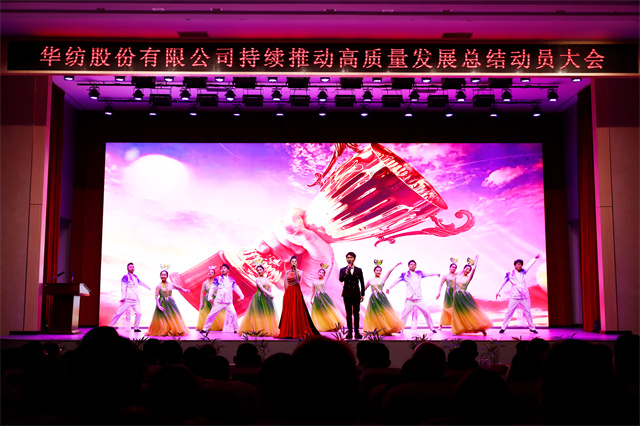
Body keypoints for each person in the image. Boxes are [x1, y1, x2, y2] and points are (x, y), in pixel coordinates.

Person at [386, 260, 440, 333]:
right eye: (411, 264)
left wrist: (436, 273)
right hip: (410, 300)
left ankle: (432, 328)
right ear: (408, 266)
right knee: (404, 315)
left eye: (414, 265)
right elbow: (396, 281)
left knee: (427, 313)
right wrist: (388, 288)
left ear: (416, 266)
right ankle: (400, 329)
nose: (413, 266)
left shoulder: (419, 273)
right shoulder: (404, 275)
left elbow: (428, 274)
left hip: (419, 299)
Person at [276, 256, 320, 339]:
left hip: (296, 292)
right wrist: (285, 293)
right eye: (292, 261)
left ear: (297, 263)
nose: (294, 263)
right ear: (290, 263)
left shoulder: (300, 272)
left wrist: (295, 271)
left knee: (296, 310)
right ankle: (288, 332)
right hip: (289, 292)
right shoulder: (287, 272)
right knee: (288, 311)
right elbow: (285, 284)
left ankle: (297, 331)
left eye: (295, 261)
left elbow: (298, 282)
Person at [496, 254, 541, 333]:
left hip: (524, 296)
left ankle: (532, 328)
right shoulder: (510, 274)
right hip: (514, 297)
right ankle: (503, 327)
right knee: (509, 313)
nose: (520, 266)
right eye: (518, 264)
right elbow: (503, 282)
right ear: (515, 265)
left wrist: (535, 258)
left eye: (521, 265)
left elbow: (529, 265)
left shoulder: (523, 271)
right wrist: (498, 291)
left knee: (528, 312)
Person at [450, 256, 492, 336]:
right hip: (457, 297)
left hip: (465, 297)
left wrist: (476, 261)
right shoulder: (456, 277)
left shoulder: (468, 278)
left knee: (470, 313)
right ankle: (456, 330)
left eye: (469, 270)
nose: (467, 270)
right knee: (457, 314)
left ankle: (481, 328)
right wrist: (453, 297)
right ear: (463, 269)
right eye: (466, 269)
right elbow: (454, 288)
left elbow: (474, 269)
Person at [363, 260, 404, 335]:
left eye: (380, 271)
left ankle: (387, 328)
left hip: (381, 298)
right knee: (375, 314)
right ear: (374, 271)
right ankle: (377, 329)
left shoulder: (383, 279)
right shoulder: (370, 280)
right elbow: (363, 289)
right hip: (373, 299)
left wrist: (396, 265)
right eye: (377, 270)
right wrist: (359, 295)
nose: (378, 272)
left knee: (385, 312)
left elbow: (389, 272)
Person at [201, 263, 245, 334]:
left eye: (224, 268)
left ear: (228, 270)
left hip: (228, 302)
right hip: (219, 301)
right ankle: (205, 328)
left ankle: (236, 329)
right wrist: (210, 297)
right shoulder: (218, 278)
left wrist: (241, 296)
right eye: (221, 269)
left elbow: (236, 287)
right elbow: (212, 288)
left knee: (233, 314)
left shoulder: (231, 279)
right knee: (211, 315)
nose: (223, 270)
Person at [237, 263, 279, 336]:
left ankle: (268, 330)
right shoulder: (257, 279)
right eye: (258, 270)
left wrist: (269, 295)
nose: (259, 271)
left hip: (266, 298)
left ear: (263, 270)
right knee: (259, 313)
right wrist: (269, 294)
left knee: (267, 314)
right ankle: (258, 330)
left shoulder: (267, 279)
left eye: (260, 270)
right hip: (259, 298)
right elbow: (262, 288)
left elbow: (269, 288)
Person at [109, 262, 152, 332]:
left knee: (139, 313)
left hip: (136, 299)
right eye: (130, 267)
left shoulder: (135, 277)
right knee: (118, 313)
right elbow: (123, 287)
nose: (132, 268)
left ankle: (136, 328)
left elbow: (141, 282)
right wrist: (123, 297)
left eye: (133, 267)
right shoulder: (126, 277)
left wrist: (148, 287)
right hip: (127, 299)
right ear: (127, 268)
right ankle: (110, 326)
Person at [147, 270, 191, 336]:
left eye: (164, 275)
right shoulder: (158, 285)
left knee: (172, 316)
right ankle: (164, 330)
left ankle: (172, 330)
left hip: (170, 303)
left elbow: (177, 287)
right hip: (162, 303)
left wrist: (184, 290)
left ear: (167, 276)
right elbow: (156, 296)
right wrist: (158, 305)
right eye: (162, 275)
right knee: (163, 317)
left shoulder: (170, 284)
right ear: (160, 276)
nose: (163, 276)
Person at [310, 259, 346, 332]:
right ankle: (320, 326)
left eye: (322, 273)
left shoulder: (324, 280)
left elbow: (329, 272)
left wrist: (332, 265)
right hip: (317, 298)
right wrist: (311, 299)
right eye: (320, 272)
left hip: (324, 297)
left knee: (327, 311)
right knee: (318, 312)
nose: (321, 273)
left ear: (324, 275)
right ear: (318, 273)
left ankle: (332, 325)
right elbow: (313, 290)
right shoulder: (314, 282)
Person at [339, 251, 366, 339]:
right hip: (347, 294)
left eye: (351, 257)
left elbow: (362, 282)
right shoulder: (343, 269)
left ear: (354, 259)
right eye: (347, 257)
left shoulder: (359, 270)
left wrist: (362, 294)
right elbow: (341, 279)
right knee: (348, 313)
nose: (349, 259)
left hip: (356, 294)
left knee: (356, 313)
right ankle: (349, 332)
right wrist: (346, 271)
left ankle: (357, 332)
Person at [196, 266, 226, 332]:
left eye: (212, 272)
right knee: (206, 313)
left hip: (215, 299)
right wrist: (201, 302)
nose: (210, 273)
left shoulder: (217, 282)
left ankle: (218, 326)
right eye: (209, 272)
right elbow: (202, 293)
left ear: (214, 274)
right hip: (207, 300)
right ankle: (206, 327)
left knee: (217, 313)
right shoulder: (205, 283)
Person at [435, 258, 458, 329]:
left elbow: (464, 270)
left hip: (455, 293)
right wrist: (439, 293)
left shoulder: (457, 275)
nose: (454, 268)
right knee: (446, 307)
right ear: (449, 268)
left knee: (455, 309)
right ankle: (440, 325)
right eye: (452, 267)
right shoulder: (445, 276)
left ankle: (455, 324)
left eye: (455, 267)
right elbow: (440, 285)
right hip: (448, 293)